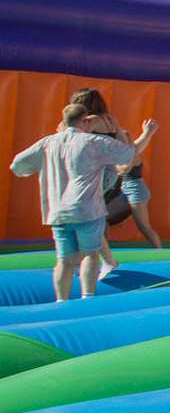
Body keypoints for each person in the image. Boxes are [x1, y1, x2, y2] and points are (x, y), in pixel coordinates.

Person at [11, 106, 155, 300]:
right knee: (90, 254)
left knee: (64, 260)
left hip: (58, 211)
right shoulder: (93, 142)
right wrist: (136, 131)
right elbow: (129, 153)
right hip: (86, 208)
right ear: (85, 121)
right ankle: (87, 298)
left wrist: (40, 167)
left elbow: (17, 166)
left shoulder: (47, 143)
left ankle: (61, 300)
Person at [68, 88, 160, 257]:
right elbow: (128, 149)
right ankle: (102, 255)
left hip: (100, 173)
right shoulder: (111, 120)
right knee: (98, 214)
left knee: (86, 213)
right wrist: (146, 135)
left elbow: (70, 135)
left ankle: (91, 254)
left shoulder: (91, 121)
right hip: (111, 176)